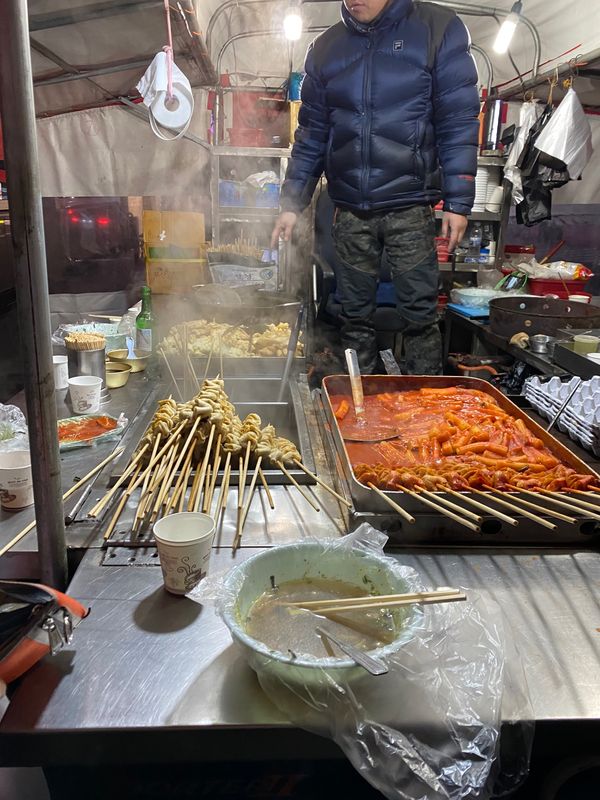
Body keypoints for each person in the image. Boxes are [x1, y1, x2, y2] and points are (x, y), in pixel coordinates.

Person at [271, 0, 480, 374]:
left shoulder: (437, 29)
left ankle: (425, 404)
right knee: (353, 317)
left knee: (420, 315)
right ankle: (361, 403)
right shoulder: (325, 48)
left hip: (410, 205)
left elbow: (458, 119)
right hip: (350, 208)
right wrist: (291, 203)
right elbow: (312, 134)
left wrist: (459, 200)